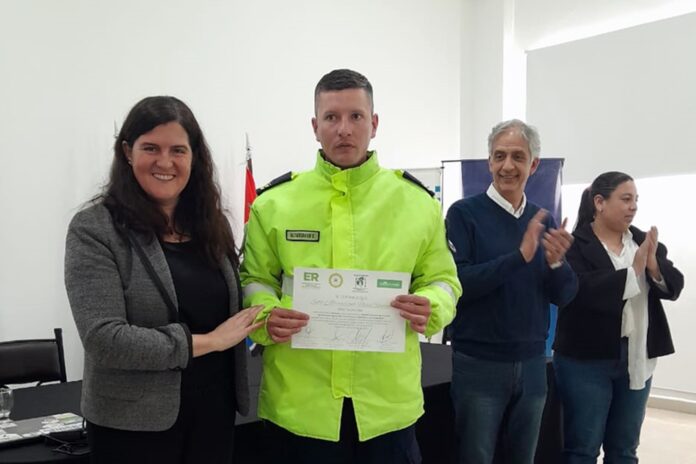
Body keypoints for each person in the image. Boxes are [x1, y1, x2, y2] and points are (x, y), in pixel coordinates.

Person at [239, 69, 461, 463]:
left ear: (374, 124)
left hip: (387, 407)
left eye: (356, 116)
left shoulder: (418, 204)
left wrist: (432, 305)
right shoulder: (273, 204)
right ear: (315, 127)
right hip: (300, 407)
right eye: (331, 117)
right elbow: (254, 279)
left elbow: (443, 279)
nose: (344, 129)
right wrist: (266, 313)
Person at [64, 96, 262, 464]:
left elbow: (232, 306)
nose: (165, 162)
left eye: (178, 150)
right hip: (132, 424)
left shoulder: (211, 223)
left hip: (214, 414)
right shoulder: (94, 228)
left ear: (194, 156)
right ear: (128, 152)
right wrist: (210, 341)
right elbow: (105, 339)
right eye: (151, 148)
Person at [445, 119, 578, 464]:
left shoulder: (543, 220)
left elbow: (564, 295)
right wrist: (519, 257)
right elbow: (460, 285)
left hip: (533, 363)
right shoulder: (463, 214)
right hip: (478, 364)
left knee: (523, 457)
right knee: (475, 457)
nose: (507, 165)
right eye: (499, 156)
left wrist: (556, 263)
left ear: (533, 165)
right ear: (489, 162)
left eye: (518, 157)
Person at [553, 171, 684, 463]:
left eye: (636, 200)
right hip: (585, 360)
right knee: (582, 449)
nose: (633, 207)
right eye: (625, 199)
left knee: (624, 449)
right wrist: (632, 273)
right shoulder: (574, 245)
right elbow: (579, 290)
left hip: (637, 356)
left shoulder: (644, 242)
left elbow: (674, 286)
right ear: (599, 202)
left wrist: (653, 267)